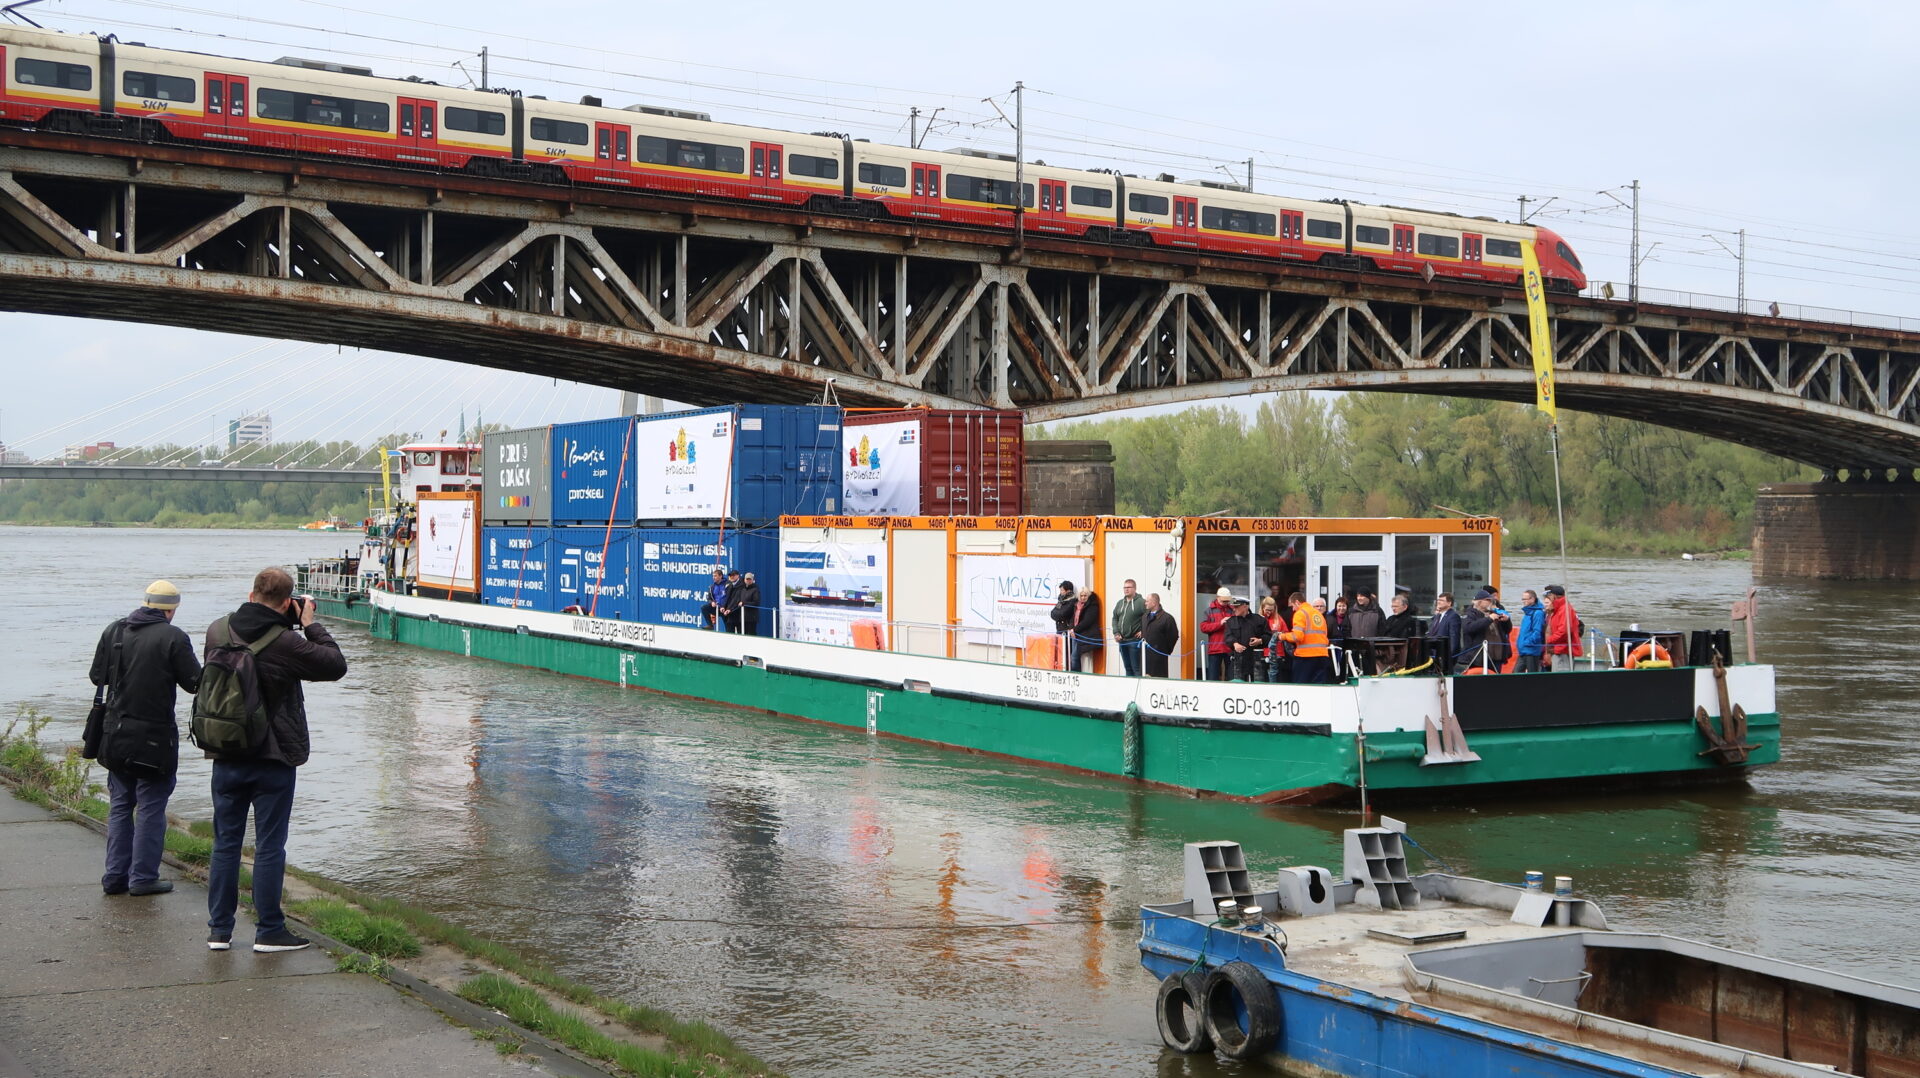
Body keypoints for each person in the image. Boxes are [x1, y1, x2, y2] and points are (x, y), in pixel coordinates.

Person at [205, 567, 348, 953]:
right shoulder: (286, 642)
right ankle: (269, 931)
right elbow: (335, 665)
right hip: (272, 757)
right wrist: (310, 624)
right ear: (288, 602)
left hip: (226, 752)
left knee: (225, 843)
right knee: (269, 846)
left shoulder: (217, 631)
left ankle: (219, 931)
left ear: (251, 594)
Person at [89, 580, 201, 897]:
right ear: (171, 609)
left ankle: (114, 877)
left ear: (145, 603)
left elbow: (98, 677)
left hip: (115, 732)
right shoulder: (174, 637)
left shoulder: (114, 630)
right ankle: (143, 879)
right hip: (154, 738)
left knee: (121, 805)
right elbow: (195, 683)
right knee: (151, 807)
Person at [1455, 588, 1511, 672]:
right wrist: (1489, 619)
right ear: (1479, 602)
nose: (1490, 602)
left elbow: (1507, 630)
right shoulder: (1470, 613)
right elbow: (1469, 628)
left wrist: (1506, 621)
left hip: (1497, 656)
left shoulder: (1495, 612)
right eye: (1487, 600)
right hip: (1479, 657)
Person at [1281, 591, 1332, 684]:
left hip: (1305, 657)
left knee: (1301, 688)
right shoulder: (1318, 614)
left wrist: (1283, 636)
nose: (1293, 609)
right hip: (1322, 655)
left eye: (1292, 606)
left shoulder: (1300, 613)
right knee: (1318, 688)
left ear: (1297, 602)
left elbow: (1297, 636)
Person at [1223, 597, 1268, 682]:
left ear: (1245, 606)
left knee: (1258, 688)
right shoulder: (1231, 621)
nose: (1234, 609)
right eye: (1233, 607)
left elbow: (1268, 635)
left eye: (1236, 607)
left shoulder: (1259, 620)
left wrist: (1260, 640)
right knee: (1235, 687)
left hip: (1256, 661)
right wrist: (1234, 644)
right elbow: (1227, 636)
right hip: (1237, 660)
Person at [1198, 587, 1234, 681]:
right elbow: (1203, 628)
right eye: (1223, 601)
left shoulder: (1232, 610)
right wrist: (1220, 623)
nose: (1226, 603)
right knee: (1213, 678)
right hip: (1215, 648)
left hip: (1230, 647)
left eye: (1227, 601)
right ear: (1217, 598)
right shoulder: (1209, 611)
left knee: (1232, 677)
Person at [1112, 579, 1147, 677]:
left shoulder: (1141, 602)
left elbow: (1149, 617)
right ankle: (1129, 690)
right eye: (1124, 587)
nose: (1126, 589)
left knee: (1136, 668)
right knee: (1127, 667)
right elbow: (1115, 618)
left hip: (1134, 641)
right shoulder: (1120, 603)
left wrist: (1143, 631)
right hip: (1122, 640)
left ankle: (1138, 691)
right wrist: (1116, 633)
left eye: (1128, 587)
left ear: (1134, 589)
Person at [1544, 584, 1583, 671]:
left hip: (1562, 651)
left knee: (1561, 675)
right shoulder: (1558, 609)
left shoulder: (1564, 609)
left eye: (1550, 595)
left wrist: (1549, 640)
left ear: (1554, 596)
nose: (1548, 598)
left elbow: (1564, 631)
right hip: (1558, 649)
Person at [1141, 593, 1180, 678]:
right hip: (1145, 656)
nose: (1145, 603)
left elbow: (1173, 636)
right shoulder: (1144, 617)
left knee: (1159, 681)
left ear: (1154, 603)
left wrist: (1165, 650)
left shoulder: (1167, 618)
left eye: (1147, 601)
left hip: (1159, 658)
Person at [1070, 586, 1103, 672]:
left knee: (1086, 659)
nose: (1083, 597)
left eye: (1085, 595)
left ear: (1088, 596)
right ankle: (1076, 676)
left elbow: (1088, 621)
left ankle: (1086, 678)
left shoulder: (1092, 605)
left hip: (1086, 635)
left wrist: (1074, 630)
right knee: (1074, 658)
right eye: (1081, 596)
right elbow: (1073, 618)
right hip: (1076, 635)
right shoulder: (1076, 605)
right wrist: (1071, 629)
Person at [1515, 589, 1547, 673]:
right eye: (1523, 599)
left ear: (1532, 599)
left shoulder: (1537, 613)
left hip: (1531, 650)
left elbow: (1537, 632)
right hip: (1524, 650)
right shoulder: (1528, 613)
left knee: (1531, 674)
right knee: (1515, 673)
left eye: (1525, 599)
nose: (1523, 601)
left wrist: (1527, 642)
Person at [1259, 596, 1288, 682]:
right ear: (1262, 607)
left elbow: (1286, 633)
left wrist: (1281, 636)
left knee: (1278, 682)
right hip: (1263, 654)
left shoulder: (1279, 619)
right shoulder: (1258, 619)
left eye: (1271, 610)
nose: (1269, 612)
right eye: (1267, 610)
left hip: (1277, 655)